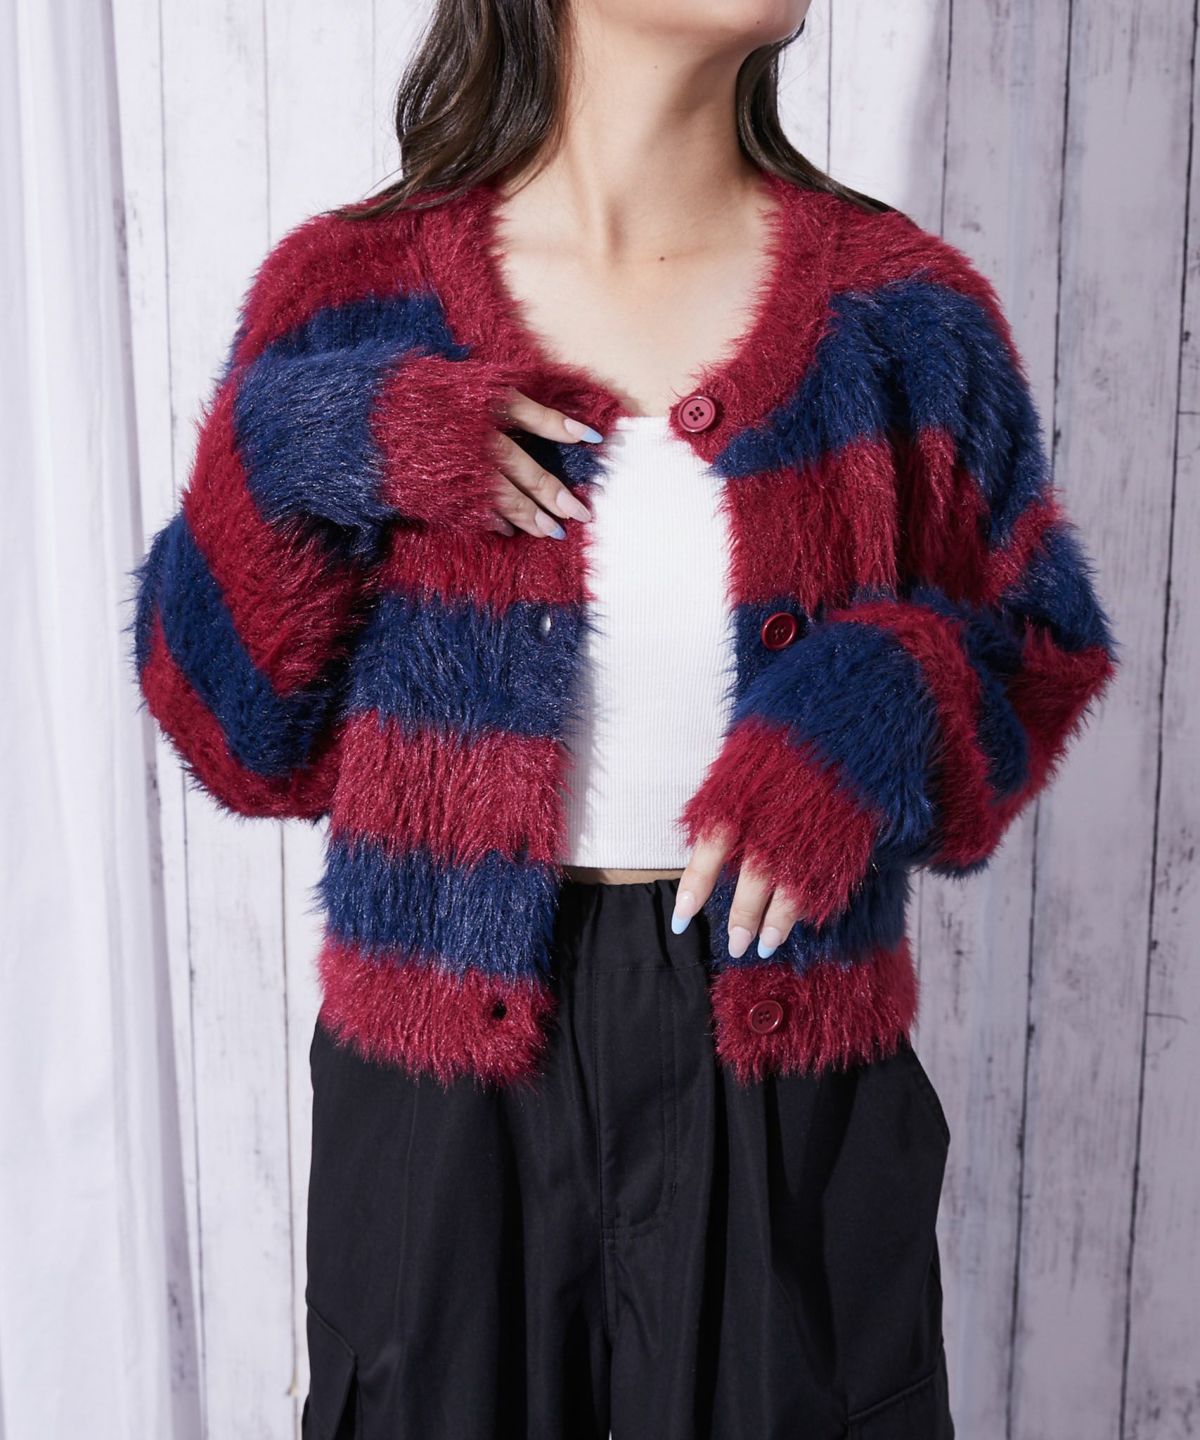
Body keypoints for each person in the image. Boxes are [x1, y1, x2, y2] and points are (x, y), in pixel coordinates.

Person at [127, 1, 1120, 1436]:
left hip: (783, 1066)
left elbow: (1043, 647)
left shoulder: (902, 314)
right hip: (440, 1093)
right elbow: (234, 738)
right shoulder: (350, 291)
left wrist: (882, 700)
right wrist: (297, 450)